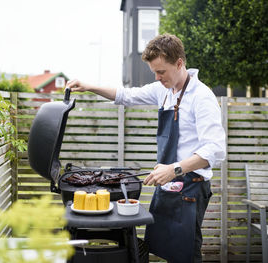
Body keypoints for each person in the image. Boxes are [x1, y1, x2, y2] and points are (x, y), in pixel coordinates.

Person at [66, 33, 226, 263]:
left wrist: (174, 169)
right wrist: (89, 86)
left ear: (179, 63)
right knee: (164, 249)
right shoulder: (164, 90)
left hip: (191, 188)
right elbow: (126, 95)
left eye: (161, 71)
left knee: (186, 254)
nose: (158, 77)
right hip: (168, 184)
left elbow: (215, 149)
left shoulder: (201, 97)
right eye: (154, 73)